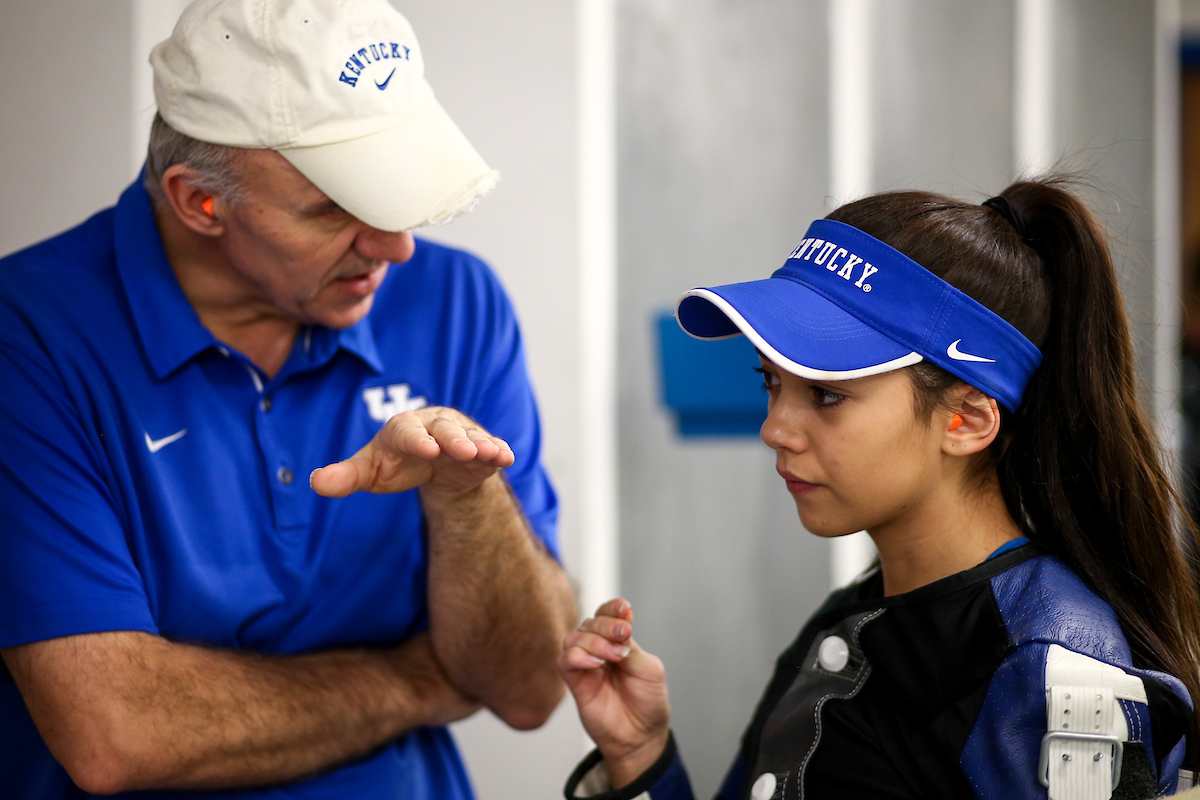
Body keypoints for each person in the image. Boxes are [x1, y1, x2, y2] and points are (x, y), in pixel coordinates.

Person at [0, 1, 576, 798]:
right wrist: (415, 683)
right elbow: (116, 735)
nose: (396, 246)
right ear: (200, 202)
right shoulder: (27, 336)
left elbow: (528, 689)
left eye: (395, 185)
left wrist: (466, 500)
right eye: (334, 208)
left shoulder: (456, 303)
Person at [559, 178, 1200, 800]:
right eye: (771, 384)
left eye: (827, 394)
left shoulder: (1052, 670)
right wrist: (639, 758)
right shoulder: (858, 613)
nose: (775, 428)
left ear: (967, 419)